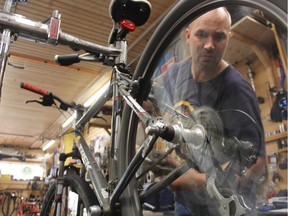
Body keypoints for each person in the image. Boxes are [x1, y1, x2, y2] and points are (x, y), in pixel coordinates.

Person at [154, 7, 266, 216]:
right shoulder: (176, 74)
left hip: (228, 208)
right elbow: (153, 100)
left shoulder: (237, 90)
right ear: (188, 35)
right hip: (186, 204)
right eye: (201, 34)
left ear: (228, 38)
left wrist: (196, 180)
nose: (209, 45)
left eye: (219, 37)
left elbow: (257, 162)